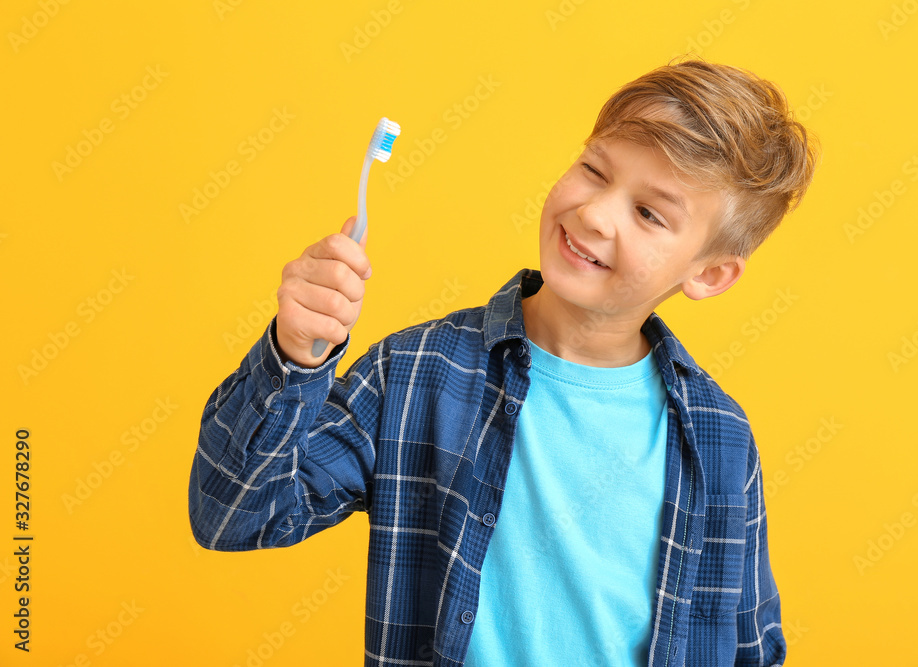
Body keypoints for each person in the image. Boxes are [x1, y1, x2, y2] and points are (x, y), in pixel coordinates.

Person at [188, 56, 818, 667]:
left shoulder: (718, 436)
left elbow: (747, 646)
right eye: (595, 171)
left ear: (708, 273)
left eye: (649, 213)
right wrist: (295, 356)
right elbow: (234, 514)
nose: (594, 214)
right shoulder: (418, 372)